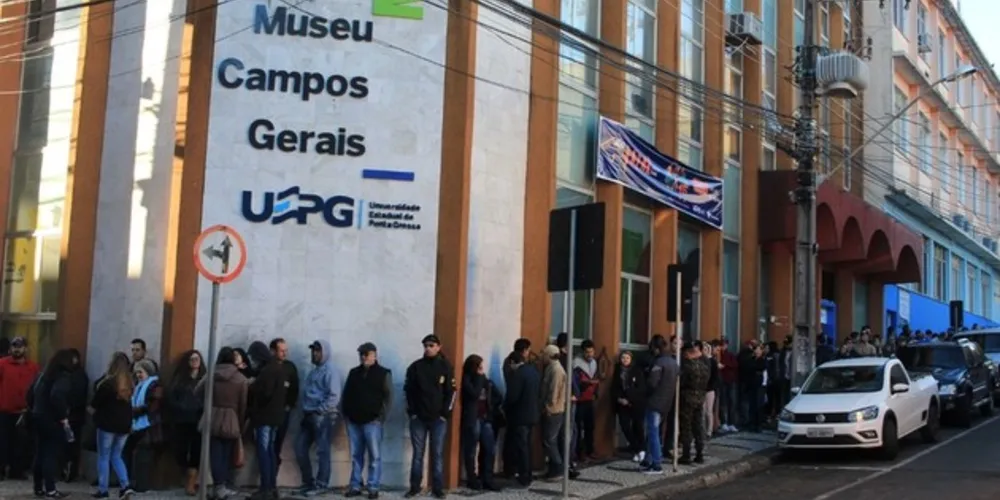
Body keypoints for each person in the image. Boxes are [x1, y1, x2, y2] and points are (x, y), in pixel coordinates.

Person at [403, 334, 455, 499]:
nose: (428, 348)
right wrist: (412, 413)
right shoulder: (415, 367)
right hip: (419, 418)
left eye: (431, 345)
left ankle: (437, 488)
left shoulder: (446, 366)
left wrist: (445, 414)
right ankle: (415, 487)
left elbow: (451, 392)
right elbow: (407, 391)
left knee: (437, 454)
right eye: (425, 345)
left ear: (438, 347)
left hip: (438, 419)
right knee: (418, 454)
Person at [342, 342, 392, 499]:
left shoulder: (383, 373)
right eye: (361, 354)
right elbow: (346, 394)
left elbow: (389, 397)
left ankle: (373, 487)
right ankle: (355, 485)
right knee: (356, 455)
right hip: (354, 421)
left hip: (372, 421)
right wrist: (346, 414)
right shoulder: (353, 373)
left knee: (374, 456)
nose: (363, 357)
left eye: (366, 354)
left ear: (374, 355)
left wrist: (381, 417)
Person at [295, 340, 342, 497]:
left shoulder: (330, 371)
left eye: (318, 351)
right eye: (313, 350)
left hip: (322, 416)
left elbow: (334, 396)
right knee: (300, 448)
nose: (314, 353)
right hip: (308, 415)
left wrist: (320, 410)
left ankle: (321, 484)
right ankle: (308, 482)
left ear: (325, 352)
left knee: (322, 451)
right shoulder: (314, 371)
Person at [201, 348, 248, 500]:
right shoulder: (241, 379)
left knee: (215, 453)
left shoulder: (212, 374)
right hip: (231, 417)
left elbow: (197, 391)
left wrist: (209, 403)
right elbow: (243, 404)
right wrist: (239, 422)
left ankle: (217, 485)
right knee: (227, 453)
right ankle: (224, 485)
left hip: (212, 415)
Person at [27, 349, 75, 498]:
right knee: (50, 454)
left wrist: (34, 408)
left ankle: (38, 487)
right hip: (52, 420)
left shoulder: (42, 375)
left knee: (40, 452)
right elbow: (57, 395)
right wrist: (63, 416)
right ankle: (50, 489)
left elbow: (29, 394)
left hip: (38, 416)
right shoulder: (63, 377)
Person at [246, 341, 288, 500]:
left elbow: (265, 394)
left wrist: (254, 387)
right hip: (275, 417)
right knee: (270, 451)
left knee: (264, 452)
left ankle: (265, 488)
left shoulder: (267, 371)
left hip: (265, 417)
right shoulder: (278, 368)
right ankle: (271, 487)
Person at [90, 352, 135, 499]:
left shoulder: (108, 384)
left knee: (104, 456)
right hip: (124, 426)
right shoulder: (130, 384)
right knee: (117, 456)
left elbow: (95, 403)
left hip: (107, 424)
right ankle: (125, 485)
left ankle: (103, 490)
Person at [460, 354, 504, 492]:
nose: (481, 369)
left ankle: (487, 478)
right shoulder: (467, 379)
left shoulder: (485, 380)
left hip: (486, 418)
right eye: (479, 366)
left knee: (489, 448)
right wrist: (479, 378)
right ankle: (472, 478)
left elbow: (498, 395)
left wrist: (491, 406)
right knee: (471, 450)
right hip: (473, 418)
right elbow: (474, 394)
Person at [502, 339, 543, 486]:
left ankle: (524, 476)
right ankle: (527, 473)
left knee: (521, 446)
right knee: (527, 445)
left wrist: (504, 406)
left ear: (513, 362)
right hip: (532, 414)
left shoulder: (518, 374)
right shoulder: (532, 371)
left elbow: (512, 396)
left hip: (519, 416)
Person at [0, 336, 40, 480]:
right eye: (14, 346)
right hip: (4, 411)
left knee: (21, 444)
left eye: (20, 346)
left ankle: (17, 471)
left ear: (25, 348)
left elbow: (37, 388)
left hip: (24, 412)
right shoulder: (2, 364)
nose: (17, 349)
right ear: (10, 348)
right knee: (2, 442)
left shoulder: (33, 367)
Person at [167, 350, 206, 495]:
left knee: (196, 451)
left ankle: (191, 482)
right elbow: (171, 397)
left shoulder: (205, 378)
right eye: (192, 359)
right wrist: (180, 408)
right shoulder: (179, 379)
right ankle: (185, 475)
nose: (195, 361)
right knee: (180, 451)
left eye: (197, 359)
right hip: (182, 420)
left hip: (198, 419)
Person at [641, 335, 678, 474]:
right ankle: (649, 460)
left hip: (655, 401)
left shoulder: (659, 363)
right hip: (667, 402)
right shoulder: (673, 362)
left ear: (656, 348)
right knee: (654, 432)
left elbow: (652, 383)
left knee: (653, 432)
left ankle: (656, 463)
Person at [125, 359, 163, 492]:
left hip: (148, 425)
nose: (138, 375)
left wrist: (135, 410)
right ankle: (133, 482)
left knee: (143, 456)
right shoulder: (140, 385)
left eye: (140, 372)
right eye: (136, 373)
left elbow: (153, 405)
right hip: (138, 424)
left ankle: (141, 484)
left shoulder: (154, 385)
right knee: (134, 455)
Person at [540, 344, 575, 482]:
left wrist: (549, 407)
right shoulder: (552, 367)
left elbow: (553, 392)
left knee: (549, 440)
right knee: (550, 439)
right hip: (555, 408)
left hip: (554, 410)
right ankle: (555, 468)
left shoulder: (556, 370)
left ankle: (559, 468)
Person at [268, 338, 299, 477]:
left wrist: (289, 406)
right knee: (266, 447)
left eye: (286, 351)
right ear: (273, 351)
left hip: (283, 413)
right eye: (281, 351)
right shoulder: (267, 367)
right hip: (268, 413)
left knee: (276, 445)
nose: (284, 353)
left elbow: (295, 388)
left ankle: (272, 479)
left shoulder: (290, 367)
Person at [678, 342, 709, 464]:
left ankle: (686, 455)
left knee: (686, 427)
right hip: (700, 398)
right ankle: (699, 453)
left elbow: (682, 382)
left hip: (687, 398)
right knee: (698, 426)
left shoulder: (687, 366)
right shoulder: (704, 366)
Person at [611, 350, 645, 462]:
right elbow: (614, 387)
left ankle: (641, 450)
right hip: (622, 403)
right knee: (625, 426)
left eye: (627, 358)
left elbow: (640, 388)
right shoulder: (617, 370)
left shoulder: (637, 370)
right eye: (623, 357)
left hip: (635, 403)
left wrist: (630, 399)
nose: (625, 360)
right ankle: (638, 449)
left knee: (638, 427)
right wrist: (619, 399)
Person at [61, 348, 89, 483]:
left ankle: (70, 471)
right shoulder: (71, 374)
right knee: (68, 445)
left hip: (73, 417)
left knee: (71, 445)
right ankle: (66, 470)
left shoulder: (78, 375)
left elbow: (77, 397)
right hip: (71, 416)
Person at [573, 340, 600, 462]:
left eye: (592, 351)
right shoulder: (576, 363)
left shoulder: (594, 362)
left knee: (590, 426)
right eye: (587, 352)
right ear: (583, 352)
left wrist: (595, 392)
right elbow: (575, 383)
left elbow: (596, 378)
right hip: (580, 400)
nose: (590, 354)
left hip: (590, 399)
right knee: (578, 427)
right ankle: (579, 452)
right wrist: (588, 384)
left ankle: (590, 450)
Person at [715, 339, 739, 433]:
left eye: (724, 345)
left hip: (730, 380)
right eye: (721, 345)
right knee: (723, 402)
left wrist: (725, 365)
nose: (722, 347)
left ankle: (731, 423)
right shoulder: (717, 355)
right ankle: (724, 422)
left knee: (732, 402)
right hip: (722, 381)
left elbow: (735, 365)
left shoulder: (730, 355)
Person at [699, 343, 719, 439]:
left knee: (709, 411)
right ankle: (702, 430)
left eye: (707, 349)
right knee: (702, 411)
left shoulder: (712, 361)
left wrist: (712, 386)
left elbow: (715, 376)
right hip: (701, 389)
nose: (705, 351)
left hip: (710, 389)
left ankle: (709, 431)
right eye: (703, 349)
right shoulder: (700, 360)